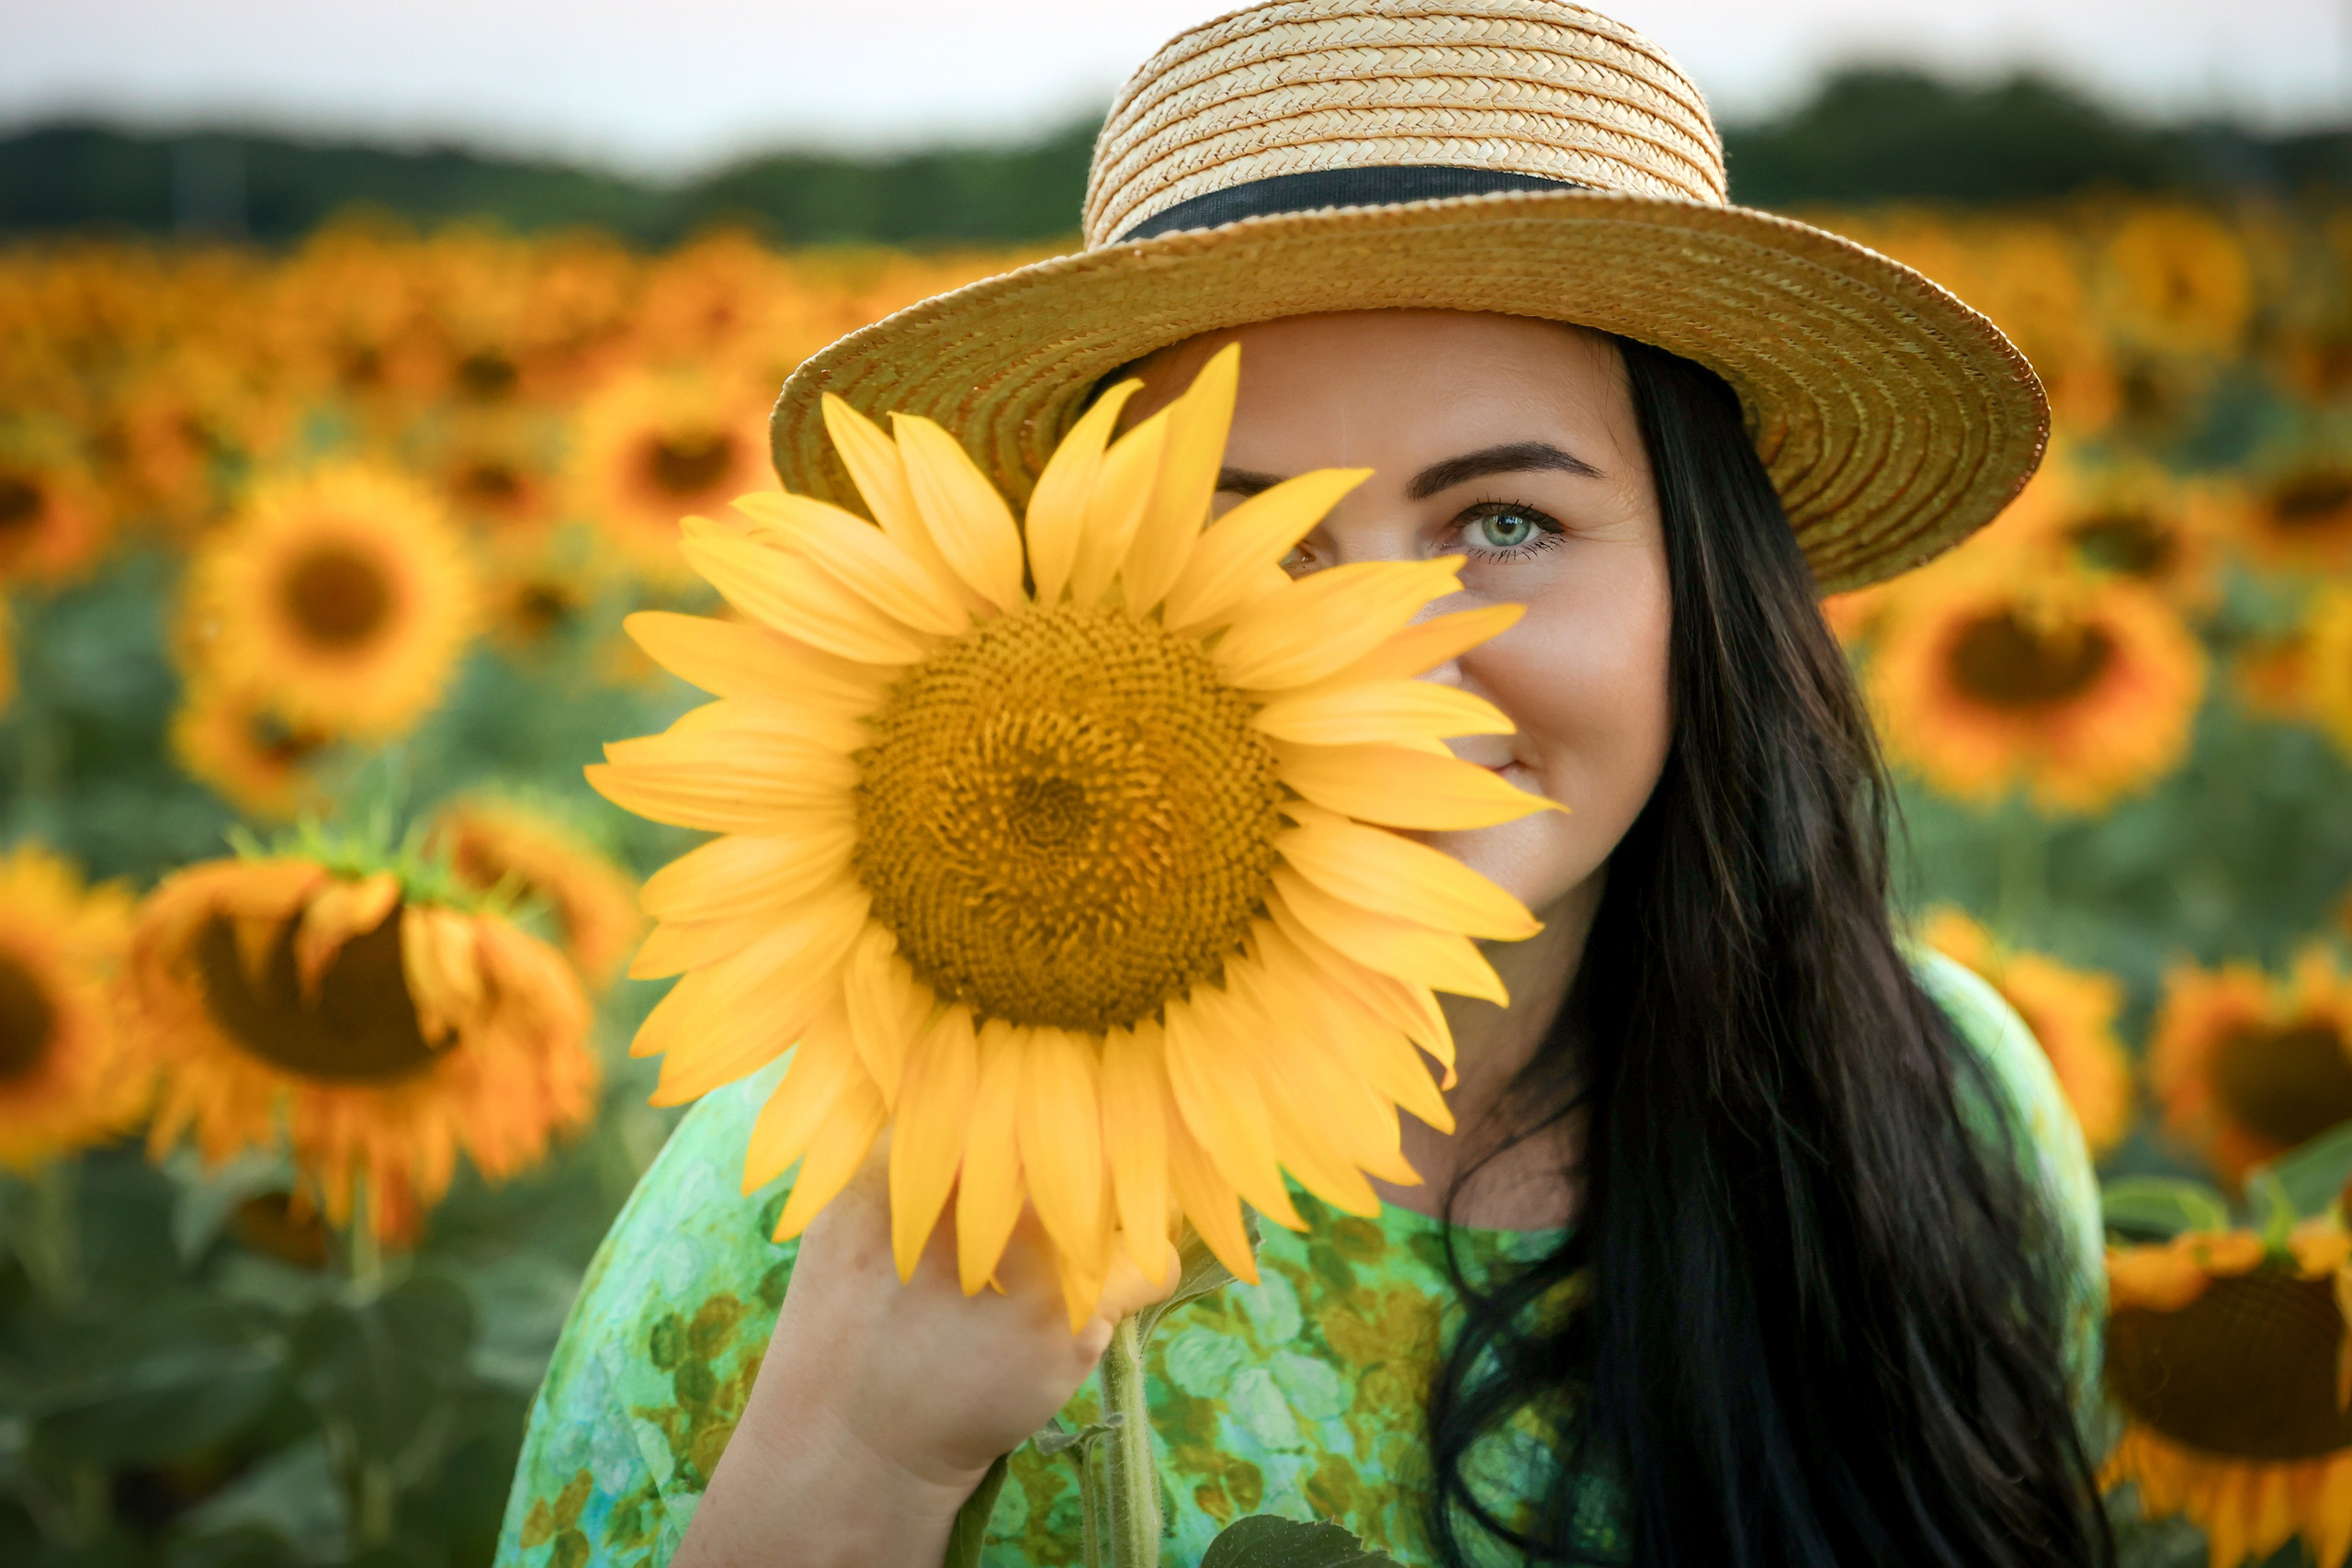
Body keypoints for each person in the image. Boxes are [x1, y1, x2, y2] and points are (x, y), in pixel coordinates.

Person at [496, 4, 2110, 1565]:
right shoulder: (863, 1179)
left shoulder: (1942, 1113)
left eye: (1504, 526)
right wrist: (861, 1451)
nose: (1385, 656)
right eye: (1258, 537)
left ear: (1707, 582)